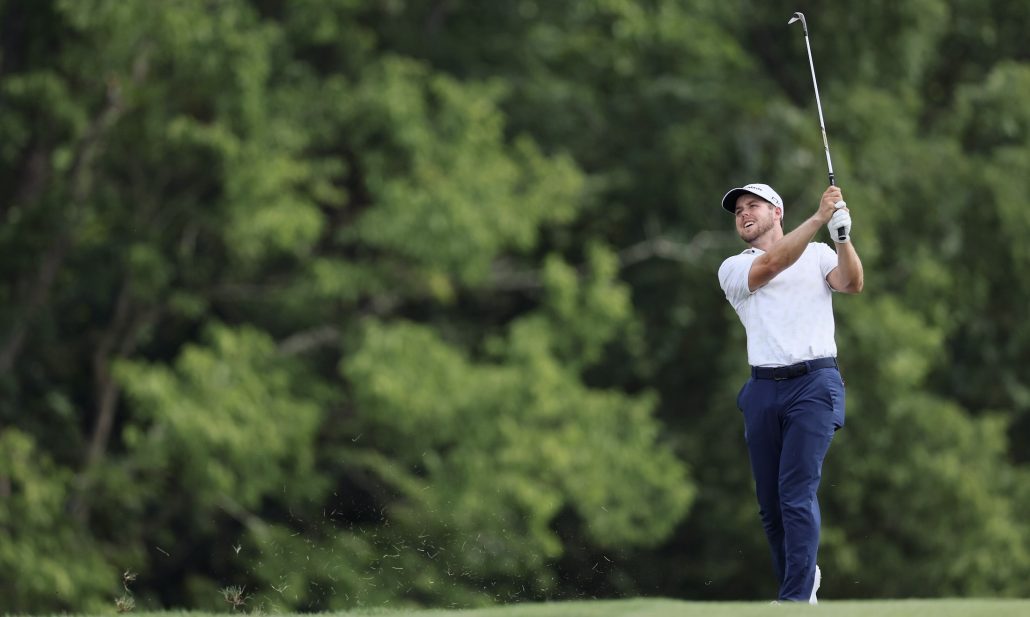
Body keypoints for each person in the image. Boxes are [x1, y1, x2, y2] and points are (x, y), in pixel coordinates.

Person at [716, 182, 863, 604]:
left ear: (776, 212)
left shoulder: (818, 255)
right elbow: (771, 268)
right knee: (771, 506)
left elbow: (852, 283)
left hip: (814, 384)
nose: (743, 213)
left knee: (796, 492)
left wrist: (841, 238)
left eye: (753, 206)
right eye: (738, 210)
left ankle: (795, 598)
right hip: (762, 389)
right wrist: (818, 219)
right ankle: (799, 585)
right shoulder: (733, 267)